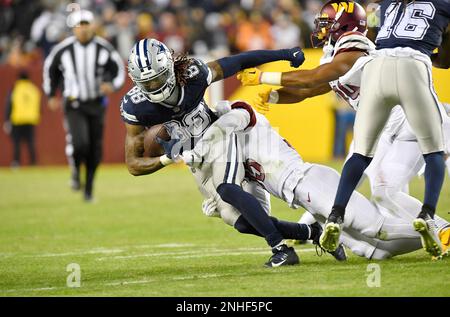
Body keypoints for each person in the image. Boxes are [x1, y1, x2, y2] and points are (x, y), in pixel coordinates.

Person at [237, 0, 450, 258]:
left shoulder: (355, 44)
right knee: (376, 189)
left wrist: (264, 77)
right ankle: (323, 223)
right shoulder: (336, 49)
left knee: (385, 190)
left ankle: (441, 229)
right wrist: (275, 97)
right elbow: (314, 88)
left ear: (344, 24)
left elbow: (317, 77)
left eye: (326, 24)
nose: (321, 29)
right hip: (386, 125)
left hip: (405, 121)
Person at [120, 37, 321, 267]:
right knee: (237, 220)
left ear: (168, 67)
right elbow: (133, 165)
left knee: (227, 187)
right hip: (195, 159)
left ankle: (280, 249)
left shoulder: (193, 74)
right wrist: (168, 158)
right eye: (147, 83)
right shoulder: (135, 106)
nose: (154, 87)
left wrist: (284, 53)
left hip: (218, 135)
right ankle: (310, 232)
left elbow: (238, 61)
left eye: (157, 79)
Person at [199, 101, 450, 260]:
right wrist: (221, 206)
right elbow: (261, 213)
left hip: (309, 181)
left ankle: (443, 232)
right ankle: (440, 236)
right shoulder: (233, 160)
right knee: (375, 251)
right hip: (302, 197)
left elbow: (244, 112)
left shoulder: (236, 116)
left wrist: (210, 139)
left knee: (376, 228)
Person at [43, 10, 125, 202]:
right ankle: (74, 169)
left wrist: (111, 85)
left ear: (92, 25)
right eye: (79, 25)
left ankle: (88, 190)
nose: (83, 28)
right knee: (80, 143)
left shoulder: (104, 48)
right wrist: (51, 94)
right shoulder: (63, 50)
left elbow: (119, 70)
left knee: (95, 150)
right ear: (73, 28)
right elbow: (50, 70)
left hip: (96, 103)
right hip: (73, 102)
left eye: (86, 24)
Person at [3, 71, 41, 167]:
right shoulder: (34, 90)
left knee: (17, 143)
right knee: (31, 143)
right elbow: (38, 106)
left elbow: (9, 105)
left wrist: (7, 120)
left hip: (17, 120)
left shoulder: (15, 89)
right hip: (30, 120)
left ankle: (16, 162)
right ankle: (33, 163)